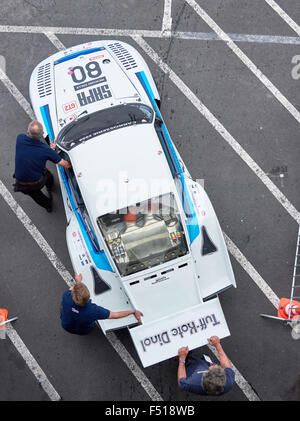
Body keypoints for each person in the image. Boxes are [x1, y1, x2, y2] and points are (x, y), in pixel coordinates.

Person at [13, 121, 71, 212]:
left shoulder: (20, 138)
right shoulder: (45, 149)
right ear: (42, 135)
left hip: (21, 183)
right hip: (37, 181)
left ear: (28, 132)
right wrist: (52, 150)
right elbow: (66, 164)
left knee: (37, 197)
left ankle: (48, 206)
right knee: (47, 175)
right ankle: (49, 187)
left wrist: (50, 150)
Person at [60, 273, 143, 335]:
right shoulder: (94, 311)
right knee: (91, 323)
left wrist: (78, 282)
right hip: (83, 331)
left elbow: (72, 289)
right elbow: (115, 315)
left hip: (66, 326)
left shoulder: (66, 296)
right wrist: (133, 311)